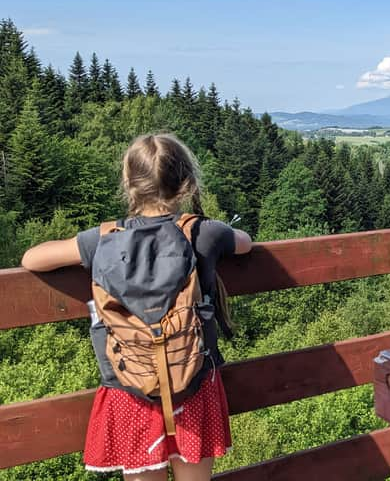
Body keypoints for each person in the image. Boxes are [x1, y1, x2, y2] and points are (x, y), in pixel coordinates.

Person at [21, 133, 252, 481]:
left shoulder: (100, 239)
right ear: (187, 184)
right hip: (193, 382)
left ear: (129, 184)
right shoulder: (203, 234)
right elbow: (246, 244)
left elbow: (32, 259)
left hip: (129, 388)